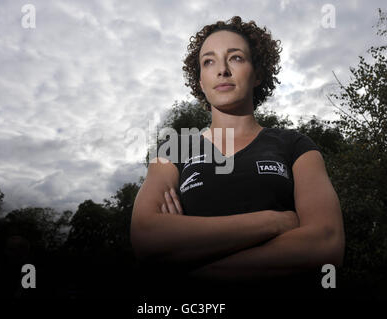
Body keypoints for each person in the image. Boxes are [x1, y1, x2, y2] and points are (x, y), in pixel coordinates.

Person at [130, 16, 345, 299]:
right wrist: (273, 222)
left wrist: (186, 270)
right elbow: (147, 236)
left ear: (257, 73)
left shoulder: (295, 145)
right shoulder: (174, 149)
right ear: (200, 82)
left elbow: (325, 244)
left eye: (236, 58)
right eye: (209, 61)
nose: (222, 70)